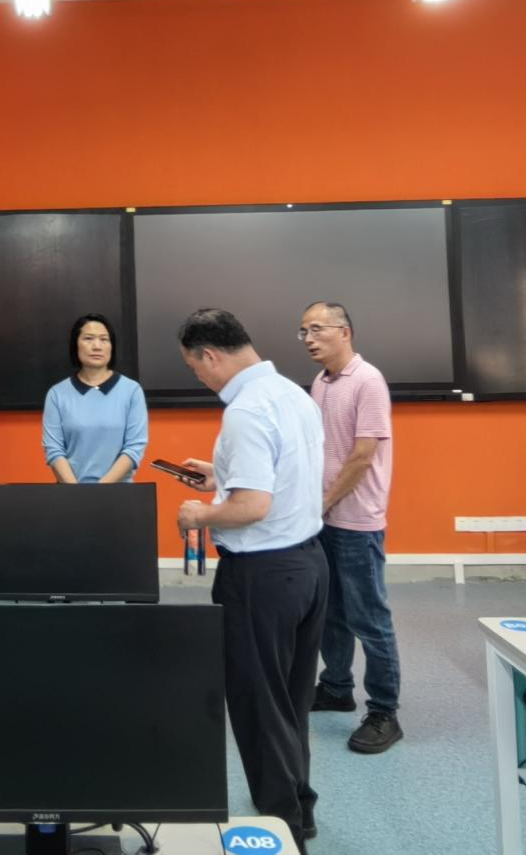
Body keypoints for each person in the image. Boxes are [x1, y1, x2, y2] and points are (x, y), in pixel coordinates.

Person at [174, 308, 328, 852]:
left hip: (260, 576)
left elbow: (252, 507)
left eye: (195, 366)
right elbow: (281, 478)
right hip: (309, 566)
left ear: (210, 354)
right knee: (291, 700)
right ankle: (300, 807)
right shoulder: (293, 395)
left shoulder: (244, 411)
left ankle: (283, 827)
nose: (198, 376)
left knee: (260, 705)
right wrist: (221, 477)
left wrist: (199, 513)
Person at [300, 301, 403, 753]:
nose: (308, 339)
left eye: (317, 329)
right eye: (303, 331)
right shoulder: (320, 383)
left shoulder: (368, 380)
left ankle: (384, 712)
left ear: (345, 332)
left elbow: (362, 456)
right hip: (324, 517)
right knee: (330, 612)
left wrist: (323, 503)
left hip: (357, 521)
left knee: (369, 618)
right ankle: (337, 687)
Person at [42, 312, 148, 483]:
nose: (97, 346)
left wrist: (99, 491)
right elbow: (54, 450)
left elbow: (134, 448)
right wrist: (78, 492)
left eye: (104, 339)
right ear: (75, 344)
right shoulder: (57, 394)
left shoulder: (131, 390)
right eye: (88, 339)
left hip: (118, 492)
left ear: (111, 346)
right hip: (71, 491)